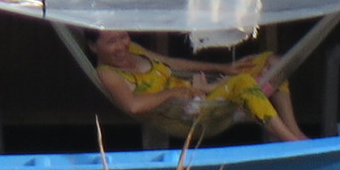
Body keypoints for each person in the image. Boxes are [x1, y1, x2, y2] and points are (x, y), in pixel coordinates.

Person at [87, 30, 308, 142]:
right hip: (190, 113)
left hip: (203, 92)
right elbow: (133, 106)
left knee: (272, 62)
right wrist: (175, 92)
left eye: (123, 37)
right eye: (111, 42)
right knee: (243, 83)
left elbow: (172, 64)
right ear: (94, 48)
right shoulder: (108, 73)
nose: (121, 46)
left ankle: (295, 131)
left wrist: (224, 67)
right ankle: (293, 144)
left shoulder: (133, 49)